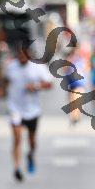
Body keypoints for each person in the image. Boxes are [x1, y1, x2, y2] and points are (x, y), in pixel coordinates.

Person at [5, 47, 52, 181]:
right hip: (15, 108)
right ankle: (17, 168)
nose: (21, 58)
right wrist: (2, 89)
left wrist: (36, 86)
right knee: (17, 138)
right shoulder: (11, 67)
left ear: (29, 56)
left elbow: (49, 84)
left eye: (23, 56)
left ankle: (30, 154)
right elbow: (6, 80)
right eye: (19, 56)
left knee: (31, 140)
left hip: (32, 110)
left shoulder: (37, 68)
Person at [63, 47, 87, 126]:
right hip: (71, 83)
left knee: (77, 100)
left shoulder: (81, 60)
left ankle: (75, 116)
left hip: (79, 83)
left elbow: (85, 68)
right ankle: (74, 116)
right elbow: (64, 70)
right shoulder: (69, 59)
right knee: (72, 100)